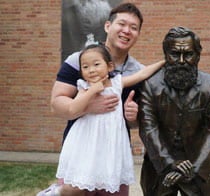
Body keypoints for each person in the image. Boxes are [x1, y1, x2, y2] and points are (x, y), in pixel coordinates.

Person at [38, 44, 165, 196]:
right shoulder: (83, 86)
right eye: (85, 67)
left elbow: (142, 74)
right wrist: (91, 91)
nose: (91, 70)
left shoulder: (118, 83)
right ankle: (55, 193)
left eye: (96, 64)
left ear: (109, 66)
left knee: (106, 182)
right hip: (86, 143)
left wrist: (165, 61)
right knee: (77, 187)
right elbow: (72, 109)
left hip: (110, 144)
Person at [47, 2, 144, 195]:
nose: (127, 31)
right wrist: (88, 105)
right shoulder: (79, 61)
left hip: (114, 157)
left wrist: (133, 117)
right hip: (81, 154)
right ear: (108, 26)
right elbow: (56, 104)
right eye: (122, 24)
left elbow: (136, 123)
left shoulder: (138, 72)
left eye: (133, 28)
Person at [138, 27, 210, 196]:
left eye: (188, 54)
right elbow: (148, 128)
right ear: (165, 55)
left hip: (198, 167)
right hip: (160, 168)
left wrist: (194, 168)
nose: (181, 60)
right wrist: (170, 163)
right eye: (174, 54)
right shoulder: (150, 86)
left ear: (198, 56)